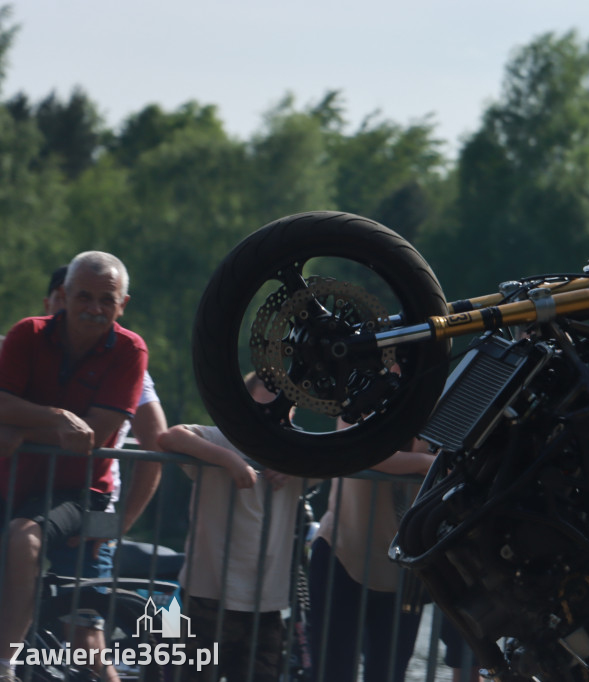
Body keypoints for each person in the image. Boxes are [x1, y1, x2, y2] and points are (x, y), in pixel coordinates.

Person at [0, 251, 147, 682]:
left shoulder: (130, 349)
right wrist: (56, 420)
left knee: (86, 642)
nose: (94, 308)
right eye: (84, 296)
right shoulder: (27, 333)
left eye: (107, 299)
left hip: (87, 499)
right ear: (62, 296)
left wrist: (19, 429)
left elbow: (93, 438)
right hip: (13, 488)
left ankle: (4, 668)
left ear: (123, 304)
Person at [156, 372, 312, 682]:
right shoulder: (218, 437)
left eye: (283, 404)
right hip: (206, 597)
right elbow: (168, 438)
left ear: (292, 412)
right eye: (266, 398)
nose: (272, 413)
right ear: (242, 404)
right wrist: (229, 460)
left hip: (266, 606)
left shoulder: (300, 451)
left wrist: (295, 466)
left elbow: (342, 459)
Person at [307, 431, 434, 682]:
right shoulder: (360, 392)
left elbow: (450, 465)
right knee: (331, 673)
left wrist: (412, 461)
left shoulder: (440, 404)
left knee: (389, 674)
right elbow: (356, 450)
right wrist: (423, 463)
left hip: (404, 570)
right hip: (341, 553)